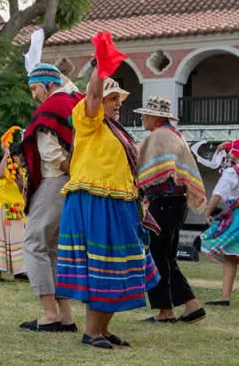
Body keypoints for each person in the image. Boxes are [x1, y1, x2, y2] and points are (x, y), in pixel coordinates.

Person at [56, 69, 160, 349]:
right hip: (96, 201)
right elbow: (91, 95)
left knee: (124, 263)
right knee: (102, 263)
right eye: (112, 98)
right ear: (99, 100)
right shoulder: (89, 122)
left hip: (120, 202)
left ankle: (103, 328)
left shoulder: (115, 130)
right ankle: (92, 332)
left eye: (119, 99)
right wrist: (100, 69)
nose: (118, 103)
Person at [20, 63, 83, 332]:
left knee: (34, 243)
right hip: (72, 183)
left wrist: (74, 168)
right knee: (54, 248)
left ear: (48, 85)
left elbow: (52, 157)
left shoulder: (50, 109)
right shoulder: (73, 103)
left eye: (35, 88)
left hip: (55, 180)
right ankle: (65, 315)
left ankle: (49, 314)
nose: (34, 95)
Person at [135, 96, 207, 323]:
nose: (143, 118)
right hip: (175, 203)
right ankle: (180, 307)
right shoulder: (174, 135)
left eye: (146, 114)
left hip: (164, 203)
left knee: (157, 256)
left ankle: (175, 308)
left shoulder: (160, 137)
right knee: (165, 256)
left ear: (156, 116)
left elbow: (156, 171)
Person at [0, 139, 29, 282]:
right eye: (20, 155)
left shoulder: (23, 172)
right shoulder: (7, 167)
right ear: (14, 155)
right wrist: (5, 154)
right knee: (0, 240)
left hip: (17, 209)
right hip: (2, 209)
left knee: (18, 240)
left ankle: (20, 271)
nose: (22, 158)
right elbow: (0, 174)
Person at [200, 140, 239, 306]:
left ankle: (225, 297)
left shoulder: (232, 172)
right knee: (231, 256)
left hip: (236, 216)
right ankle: (224, 298)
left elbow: (218, 194)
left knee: (231, 257)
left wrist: (208, 212)